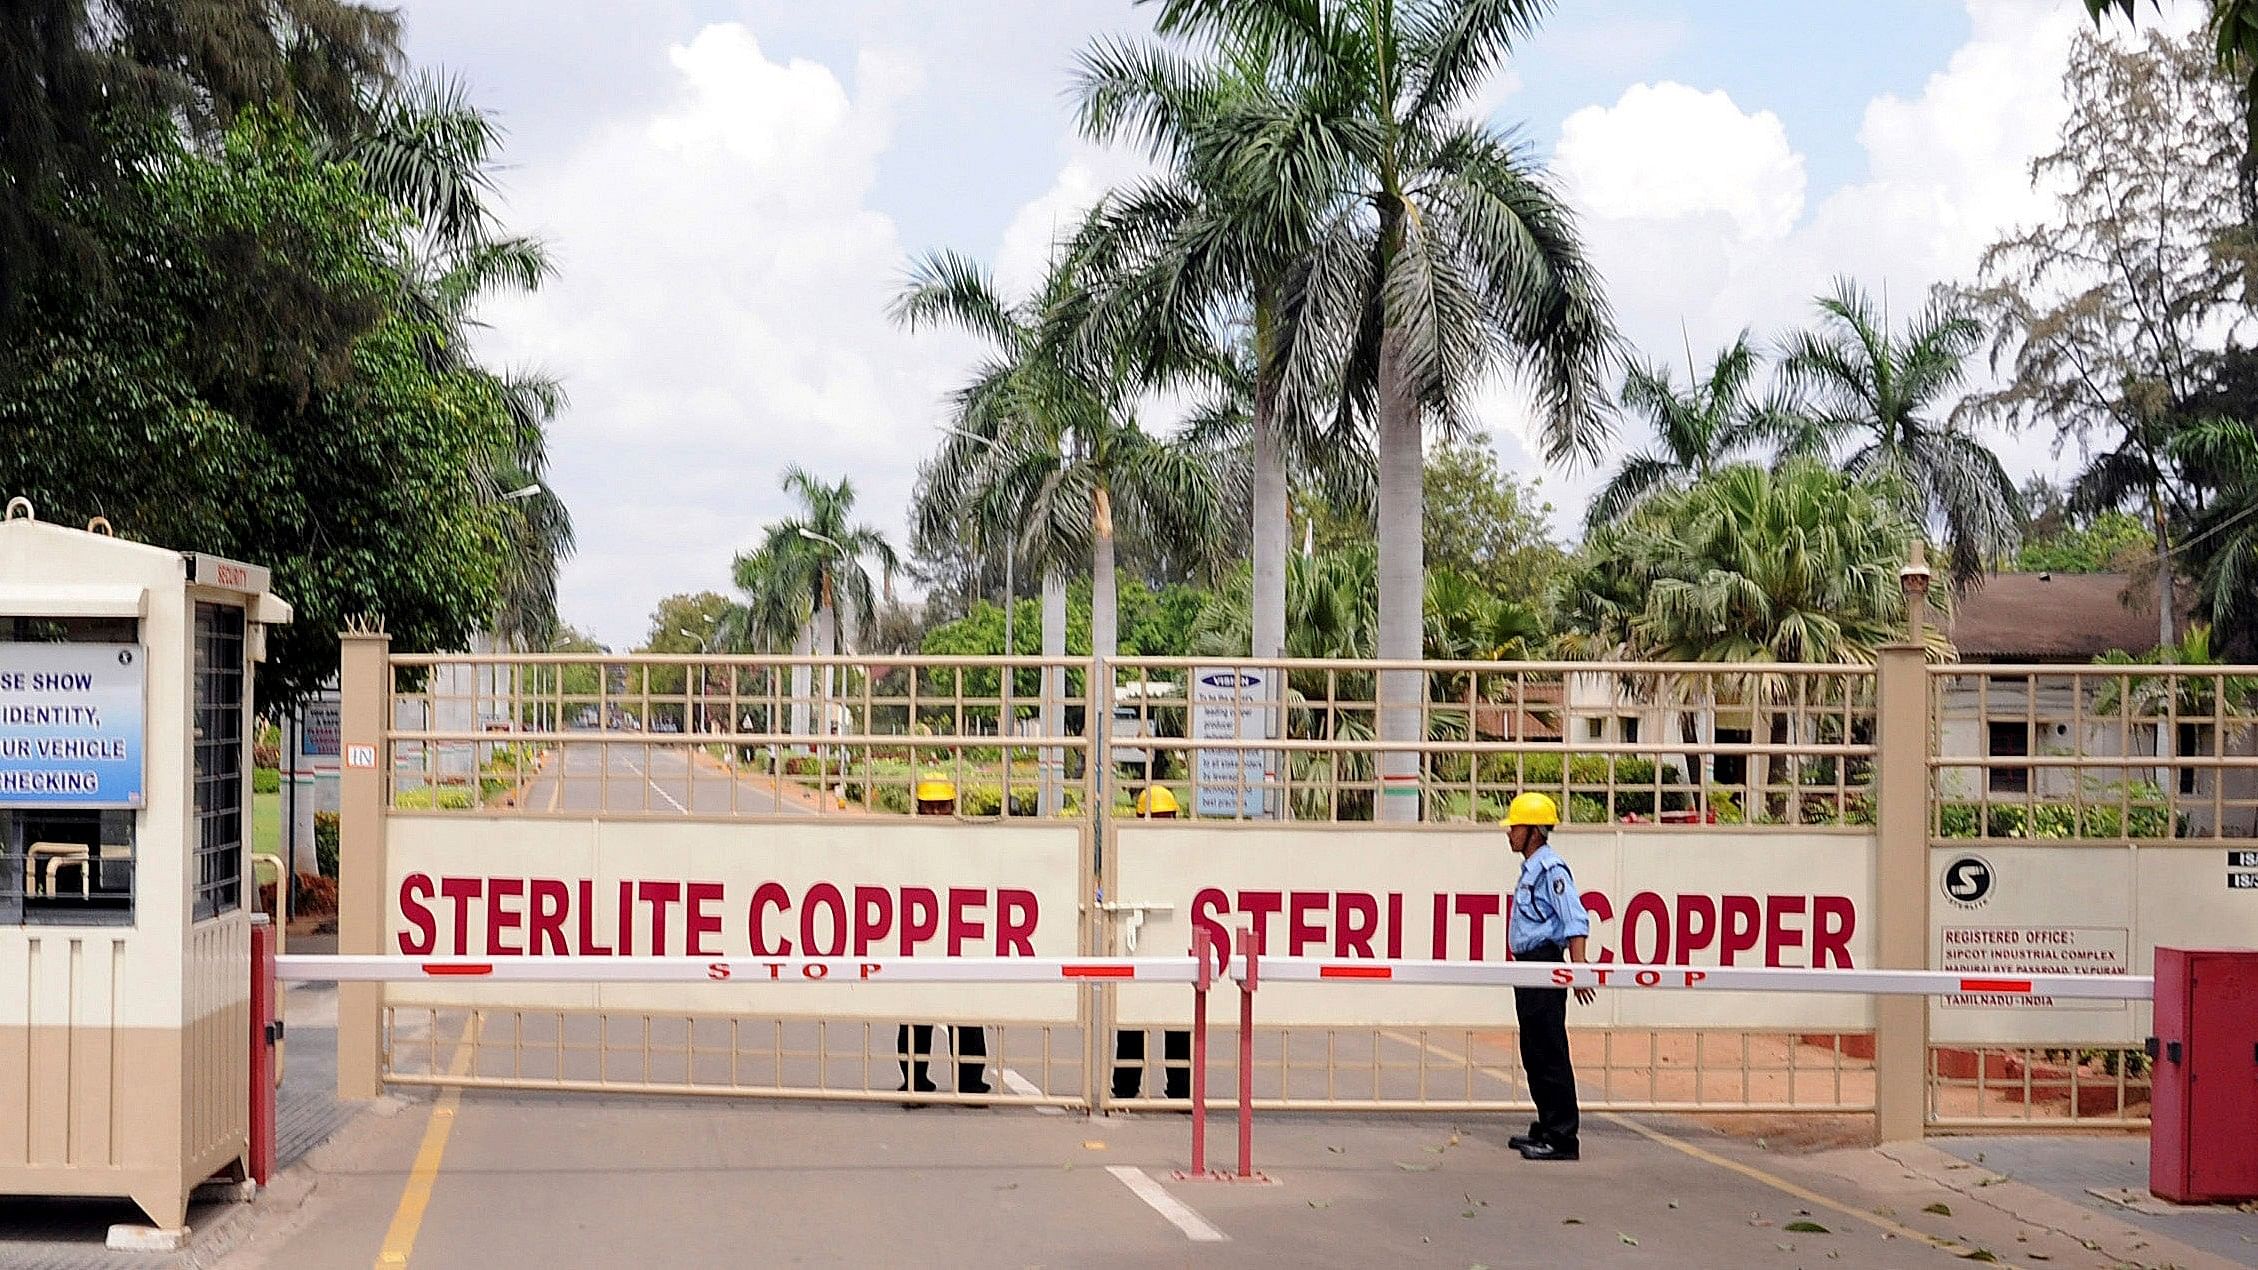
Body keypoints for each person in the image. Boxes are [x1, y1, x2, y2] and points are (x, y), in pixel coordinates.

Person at [1503, 792, 1595, 1161]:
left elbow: (1575, 919)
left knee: (1550, 1050)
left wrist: (1579, 969)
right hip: (1528, 965)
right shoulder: (1531, 869)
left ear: (1534, 831)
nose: (1509, 833)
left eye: (1516, 826)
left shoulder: (1552, 870)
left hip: (1544, 964)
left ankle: (1562, 1137)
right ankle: (1546, 1124)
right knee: (1533, 1050)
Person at [898, 773, 989, 1104]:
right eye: (930, 807)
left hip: (959, 938)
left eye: (942, 807)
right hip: (918, 937)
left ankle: (970, 1084)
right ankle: (914, 1083)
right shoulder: (905, 843)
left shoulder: (968, 843)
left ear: (953, 807)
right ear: (919, 808)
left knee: (966, 1011)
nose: (936, 814)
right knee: (916, 1014)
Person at [1112, 786, 1190, 1102]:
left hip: (1174, 943)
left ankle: (1181, 1090)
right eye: (1154, 817)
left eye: (1165, 817)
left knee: (1179, 1022)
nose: (1160, 823)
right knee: (1131, 1020)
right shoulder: (1126, 849)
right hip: (1139, 943)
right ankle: (1126, 1089)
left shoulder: (1186, 852)